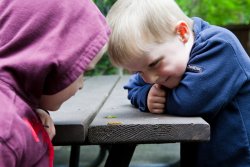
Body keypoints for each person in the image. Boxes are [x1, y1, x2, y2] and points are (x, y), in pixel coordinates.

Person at [106, 0, 250, 166]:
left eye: (154, 64)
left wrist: (158, 97)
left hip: (238, 158)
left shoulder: (219, 46)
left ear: (182, 33)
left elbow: (189, 101)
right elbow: (133, 86)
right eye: (139, 71)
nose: (151, 79)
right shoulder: (157, 60)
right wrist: (146, 96)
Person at [0, 0, 110, 166]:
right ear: (49, 59)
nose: (81, 84)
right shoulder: (6, 132)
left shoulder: (11, 110)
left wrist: (34, 110)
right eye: (82, 71)